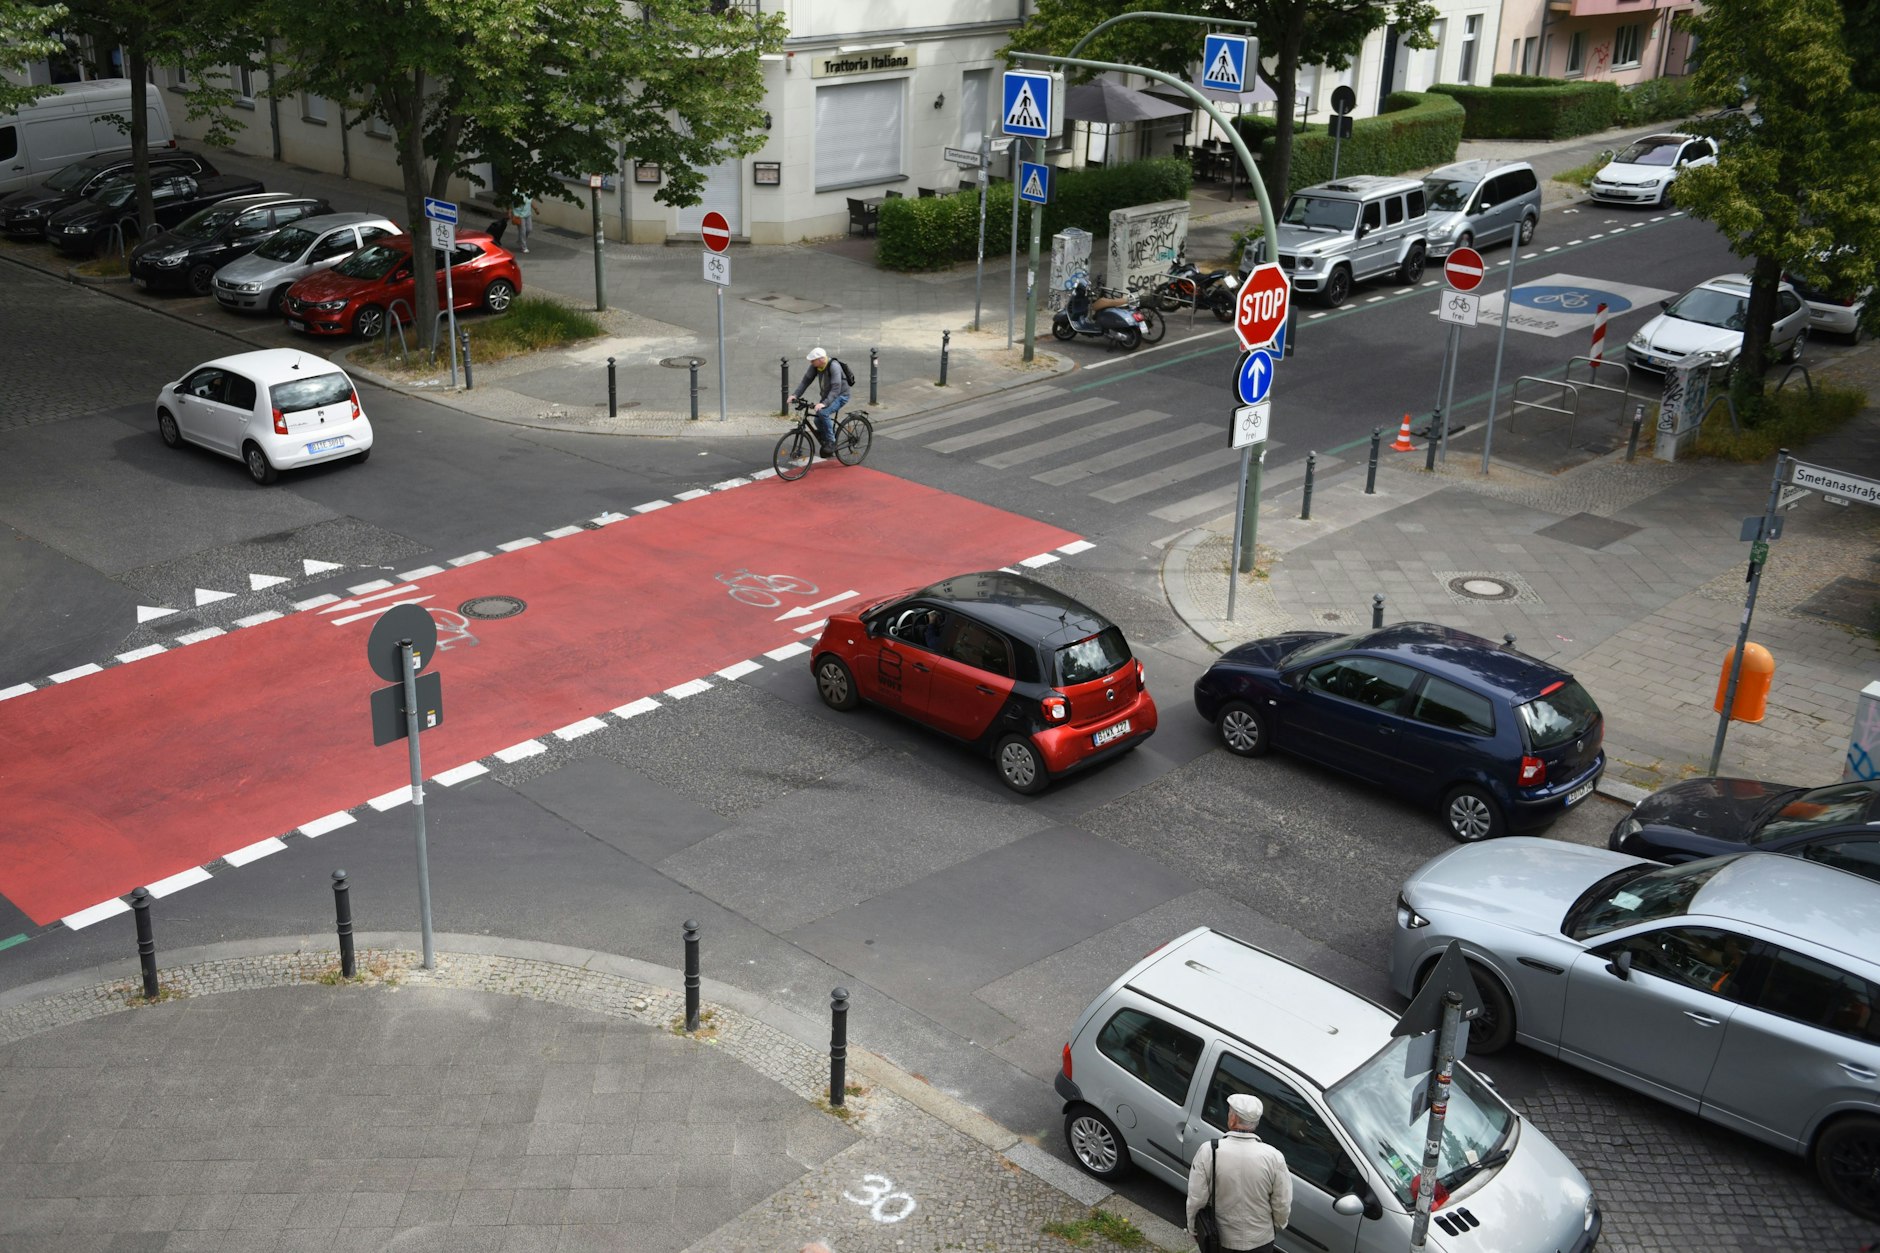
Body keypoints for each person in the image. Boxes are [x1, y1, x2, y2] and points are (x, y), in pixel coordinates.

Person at [1187, 1093, 1292, 1253]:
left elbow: (1196, 1197)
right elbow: (1282, 1202)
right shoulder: (1274, 1157)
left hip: (1221, 1240)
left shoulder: (1209, 1150)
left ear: (1233, 1119)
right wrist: (1276, 1225)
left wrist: (1193, 1226)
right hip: (1261, 1240)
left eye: (1230, 1112)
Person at [789, 346, 850, 458]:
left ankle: (831, 442)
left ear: (821, 359)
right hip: (828, 396)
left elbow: (836, 388)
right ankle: (826, 440)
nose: (811, 363)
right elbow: (805, 381)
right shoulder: (815, 367)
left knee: (823, 413)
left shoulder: (834, 366)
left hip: (841, 395)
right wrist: (795, 395)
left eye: (813, 361)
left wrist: (824, 403)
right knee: (817, 421)